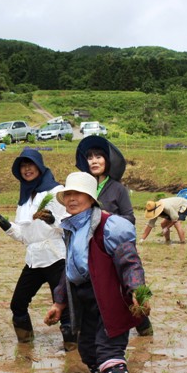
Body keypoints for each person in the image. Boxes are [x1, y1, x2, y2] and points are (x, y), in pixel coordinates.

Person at [44, 172, 148, 373]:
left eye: (78, 194)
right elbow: (69, 270)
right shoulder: (71, 228)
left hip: (109, 298)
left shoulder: (110, 226)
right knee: (88, 351)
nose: (72, 198)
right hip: (87, 300)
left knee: (109, 350)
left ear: (91, 198)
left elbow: (130, 263)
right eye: (68, 194)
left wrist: (137, 290)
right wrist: (59, 303)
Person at [0, 148, 75, 348]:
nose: (27, 169)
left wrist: (51, 219)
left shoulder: (57, 192)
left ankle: (72, 350)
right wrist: (1, 221)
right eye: (23, 166)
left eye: (30, 164)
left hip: (56, 258)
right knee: (17, 304)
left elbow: (69, 224)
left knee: (65, 307)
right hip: (34, 259)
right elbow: (24, 236)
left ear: (40, 167)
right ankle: (25, 346)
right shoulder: (24, 199)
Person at [76, 136, 151, 337]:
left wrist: (106, 217)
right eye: (90, 157)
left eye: (99, 156)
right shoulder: (85, 189)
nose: (94, 161)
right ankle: (99, 328)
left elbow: (130, 218)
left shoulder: (118, 189)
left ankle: (143, 324)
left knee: (123, 288)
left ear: (107, 161)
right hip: (92, 249)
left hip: (115, 249)